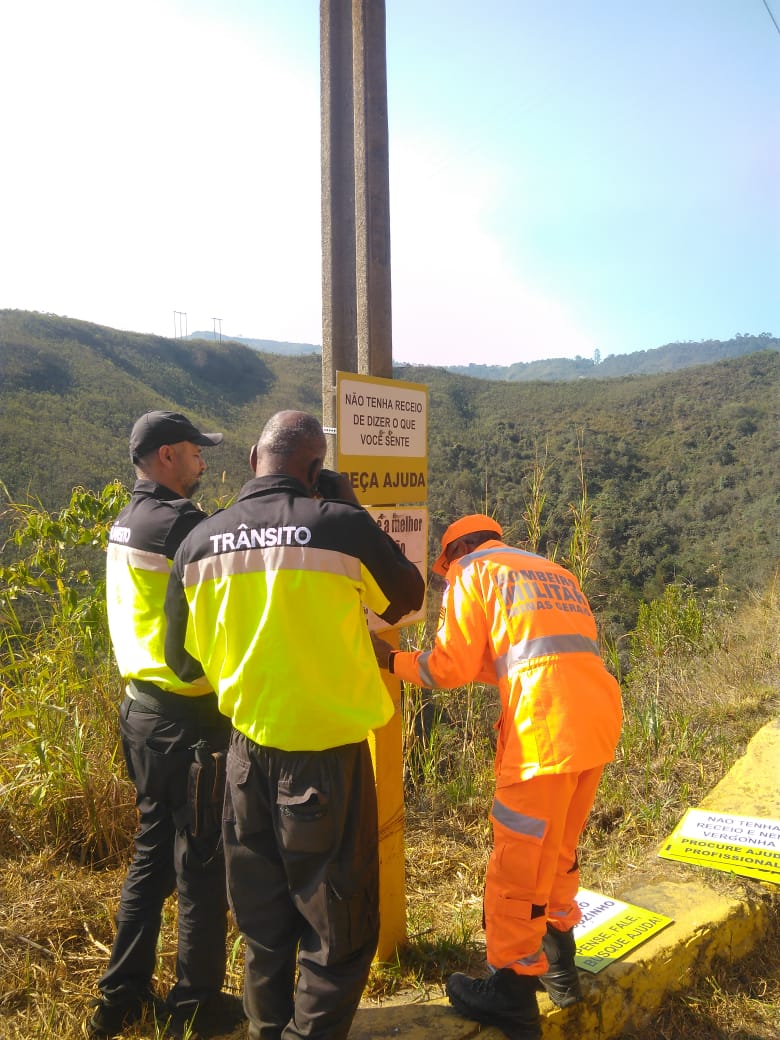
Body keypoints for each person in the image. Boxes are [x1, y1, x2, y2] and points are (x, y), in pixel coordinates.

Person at [163, 410, 425, 1040]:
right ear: (316, 470)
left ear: (253, 458)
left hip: (244, 759)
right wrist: (348, 506)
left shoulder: (198, 544)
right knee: (337, 933)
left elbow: (181, 660)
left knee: (264, 926)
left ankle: (265, 1030)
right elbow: (406, 598)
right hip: (326, 764)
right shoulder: (341, 527)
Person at [371, 514, 623, 1040]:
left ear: (455, 551)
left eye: (444, 567)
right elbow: (518, 653)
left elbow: (449, 669)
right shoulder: (551, 572)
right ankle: (560, 968)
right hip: (596, 719)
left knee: (517, 864)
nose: (446, 575)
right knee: (559, 849)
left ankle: (509, 989)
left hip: (542, 731)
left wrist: (392, 660)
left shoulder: (472, 572)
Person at [86, 410, 244, 1039]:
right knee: (203, 863)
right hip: (190, 718)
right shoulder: (182, 524)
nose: (204, 461)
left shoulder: (125, 521)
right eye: (197, 452)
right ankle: (196, 1004)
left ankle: (118, 996)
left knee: (153, 856)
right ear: (168, 454)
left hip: (142, 714)